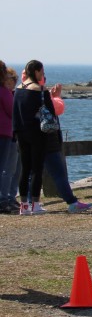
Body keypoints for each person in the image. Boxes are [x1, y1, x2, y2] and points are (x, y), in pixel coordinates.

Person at [12, 60, 92, 214]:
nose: (43, 74)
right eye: (42, 72)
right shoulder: (40, 90)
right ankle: (35, 205)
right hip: (38, 134)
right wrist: (55, 97)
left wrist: (15, 133)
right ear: (36, 71)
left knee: (25, 170)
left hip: (21, 133)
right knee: (37, 170)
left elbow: (15, 114)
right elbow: (50, 111)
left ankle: (24, 206)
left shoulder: (18, 90)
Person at [0, 61, 20, 214]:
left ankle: (6, 198)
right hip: (5, 133)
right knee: (6, 167)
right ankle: (3, 200)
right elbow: (12, 111)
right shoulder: (4, 92)